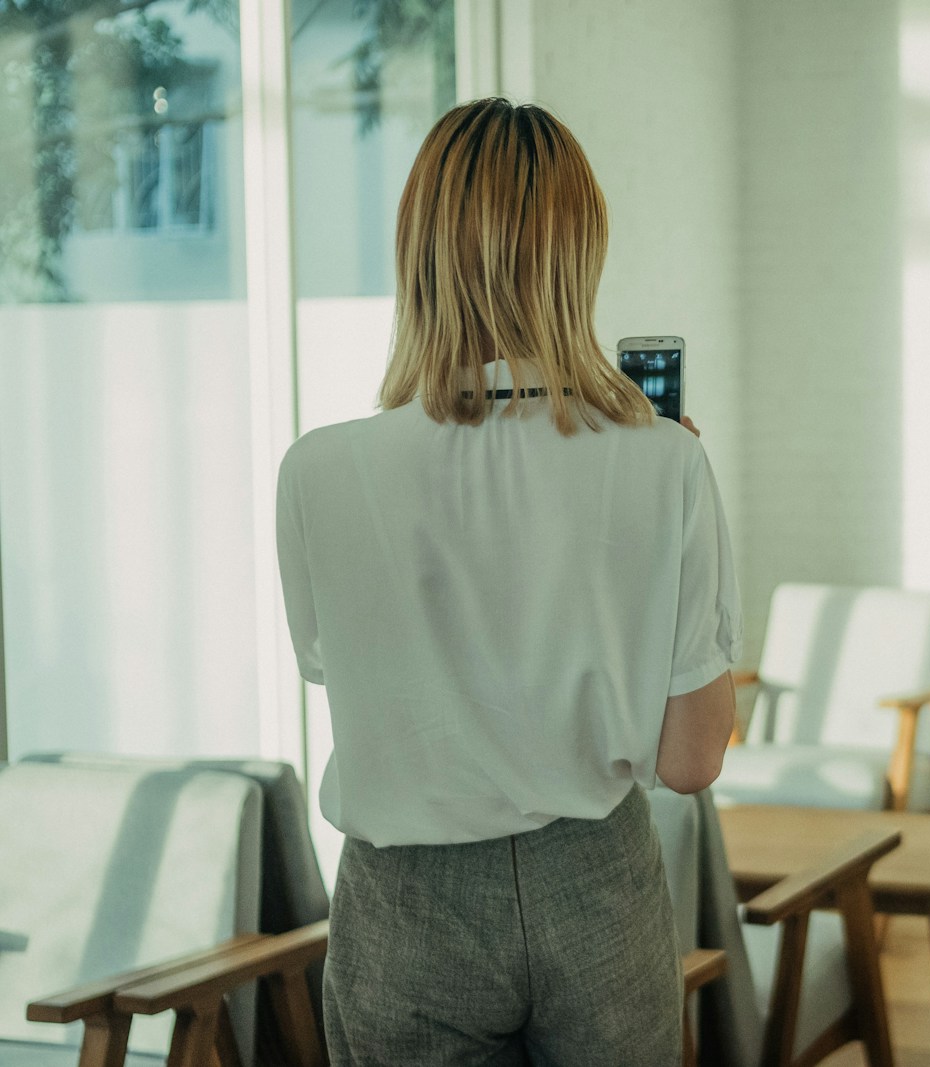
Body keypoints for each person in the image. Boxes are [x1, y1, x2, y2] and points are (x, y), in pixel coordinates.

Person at [275, 98, 741, 1066]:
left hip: (406, 901)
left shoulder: (321, 468)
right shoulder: (665, 463)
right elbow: (692, 761)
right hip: (597, 887)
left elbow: (343, 669)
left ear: (419, 251)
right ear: (580, 253)